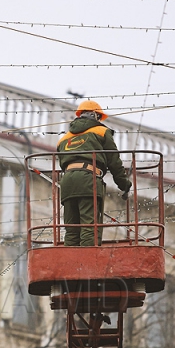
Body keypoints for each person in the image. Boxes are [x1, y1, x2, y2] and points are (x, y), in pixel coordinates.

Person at [57, 100, 131, 246]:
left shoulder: (64, 139)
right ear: (96, 116)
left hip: (67, 181)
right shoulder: (101, 132)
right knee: (89, 226)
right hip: (88, 179)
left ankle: (71, 262)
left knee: (71, 229)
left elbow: (61, 162)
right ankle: (87, 262)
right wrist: (124, 184)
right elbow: (114, 161)